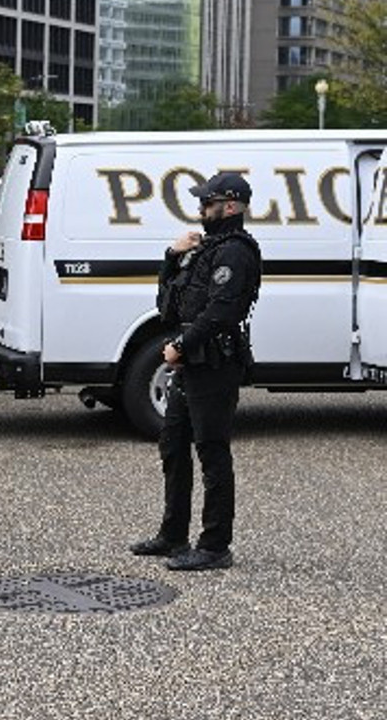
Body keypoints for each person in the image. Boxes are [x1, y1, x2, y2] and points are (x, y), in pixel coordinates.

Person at [130, 172, 262, 572]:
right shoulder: (206, 249)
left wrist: (182, 346)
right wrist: (172, 256)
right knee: (173, 445)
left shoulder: (236, 252)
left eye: (208, 202)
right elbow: (169, 305)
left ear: (232, 207)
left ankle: (215, 545)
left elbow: (222, 312)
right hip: (190, 362)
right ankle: (173, 535)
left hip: (215, 363)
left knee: (212, 451)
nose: (201, 209)